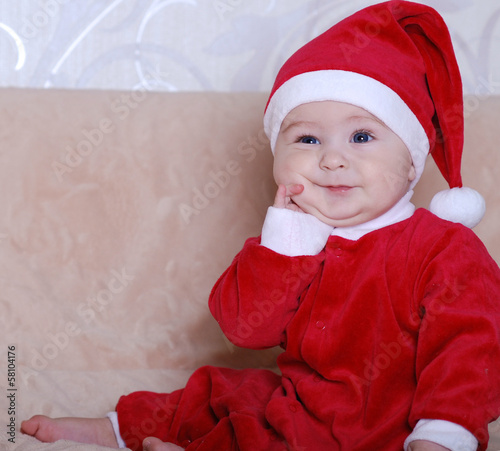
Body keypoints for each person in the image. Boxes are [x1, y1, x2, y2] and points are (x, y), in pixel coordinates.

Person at [21, 1, 500, 450]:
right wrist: (283, 246)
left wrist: (441, 432)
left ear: (412, 161)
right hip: (300, 409)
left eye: (362, 136)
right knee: (221, 391)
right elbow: (244, 329)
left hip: (393, 425)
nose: (332, 159)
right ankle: (115, 428)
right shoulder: (295, 241)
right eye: (307, 139)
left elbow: (471, 345)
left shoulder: (442, 247)